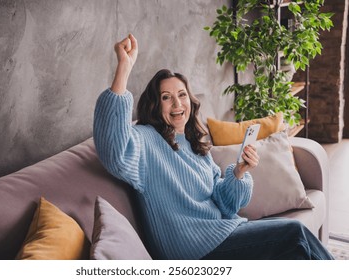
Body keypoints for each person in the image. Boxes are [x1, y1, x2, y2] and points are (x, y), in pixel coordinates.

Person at [93, 34, 334, 260]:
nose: (177, 103)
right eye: (166, 97)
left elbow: (225, 203)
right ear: (155, 105)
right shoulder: (144, 139)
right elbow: (114, 149)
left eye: (182, 95)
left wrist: (239, 171)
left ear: (190, 100)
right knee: (294, 233)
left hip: (221, 232)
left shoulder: (193, 144)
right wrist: (124, 67)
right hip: (191, 249)